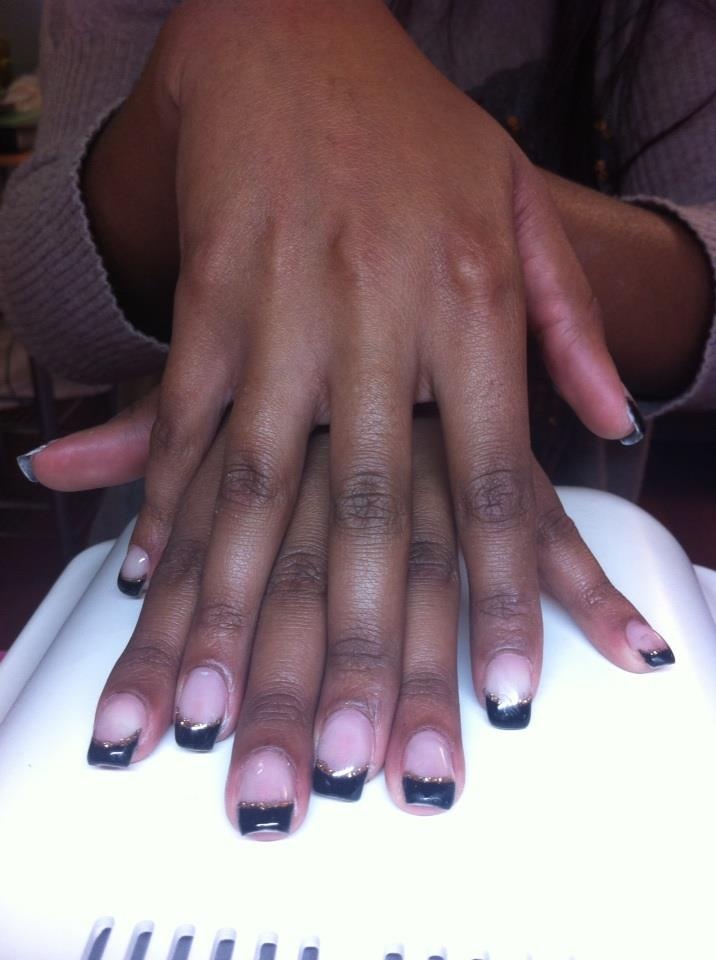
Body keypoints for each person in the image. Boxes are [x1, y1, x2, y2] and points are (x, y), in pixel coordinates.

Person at [1, 0, 714, 839]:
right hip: (206, 542)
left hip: (537, 556)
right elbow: (48, 297)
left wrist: (418, 215)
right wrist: (237, 38)